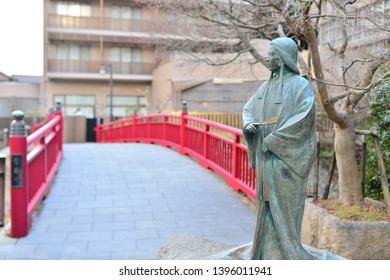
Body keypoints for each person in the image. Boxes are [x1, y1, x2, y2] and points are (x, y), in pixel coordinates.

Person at [242, 37, 317, 259]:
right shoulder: (264, 87)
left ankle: (288, 253)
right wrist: (248, 124)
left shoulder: (301, 85)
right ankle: (266, 252)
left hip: (285, 161)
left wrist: (274, 140)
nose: (268, 57)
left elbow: (304, 118)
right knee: (265, 207)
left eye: (272, 54)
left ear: (283, 58)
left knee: (284, 209)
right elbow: (248, 109)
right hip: (266, 160)